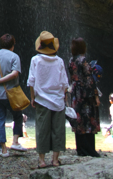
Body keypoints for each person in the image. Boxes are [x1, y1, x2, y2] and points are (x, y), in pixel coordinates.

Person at [27, 31, 68, 169]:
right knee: (58, 129)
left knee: (42, 129)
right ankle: (55, 160)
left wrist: (32, 97)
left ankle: (42, 160)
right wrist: (64, 96)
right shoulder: (59, 61)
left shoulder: (35, 60)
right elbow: (64, 83)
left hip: (42, 99)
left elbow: (31, 81)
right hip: (58, 100)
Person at [0, 33, 26, 157]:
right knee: (18, 116)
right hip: (11, 93)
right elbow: (15, 74)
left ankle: (3, 150)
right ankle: (15, 141)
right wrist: (1, 81)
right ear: (13, 45)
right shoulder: (14, 56)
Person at [68, 37, 100, 157]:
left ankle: (80, 149)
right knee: (88, 119)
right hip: (85, 94)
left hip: (75, 93)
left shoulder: (71, 60)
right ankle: (90, 149)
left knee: (78, 120)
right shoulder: (83, 60)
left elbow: (72, 77)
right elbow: (89, 79)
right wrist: (95, 96)